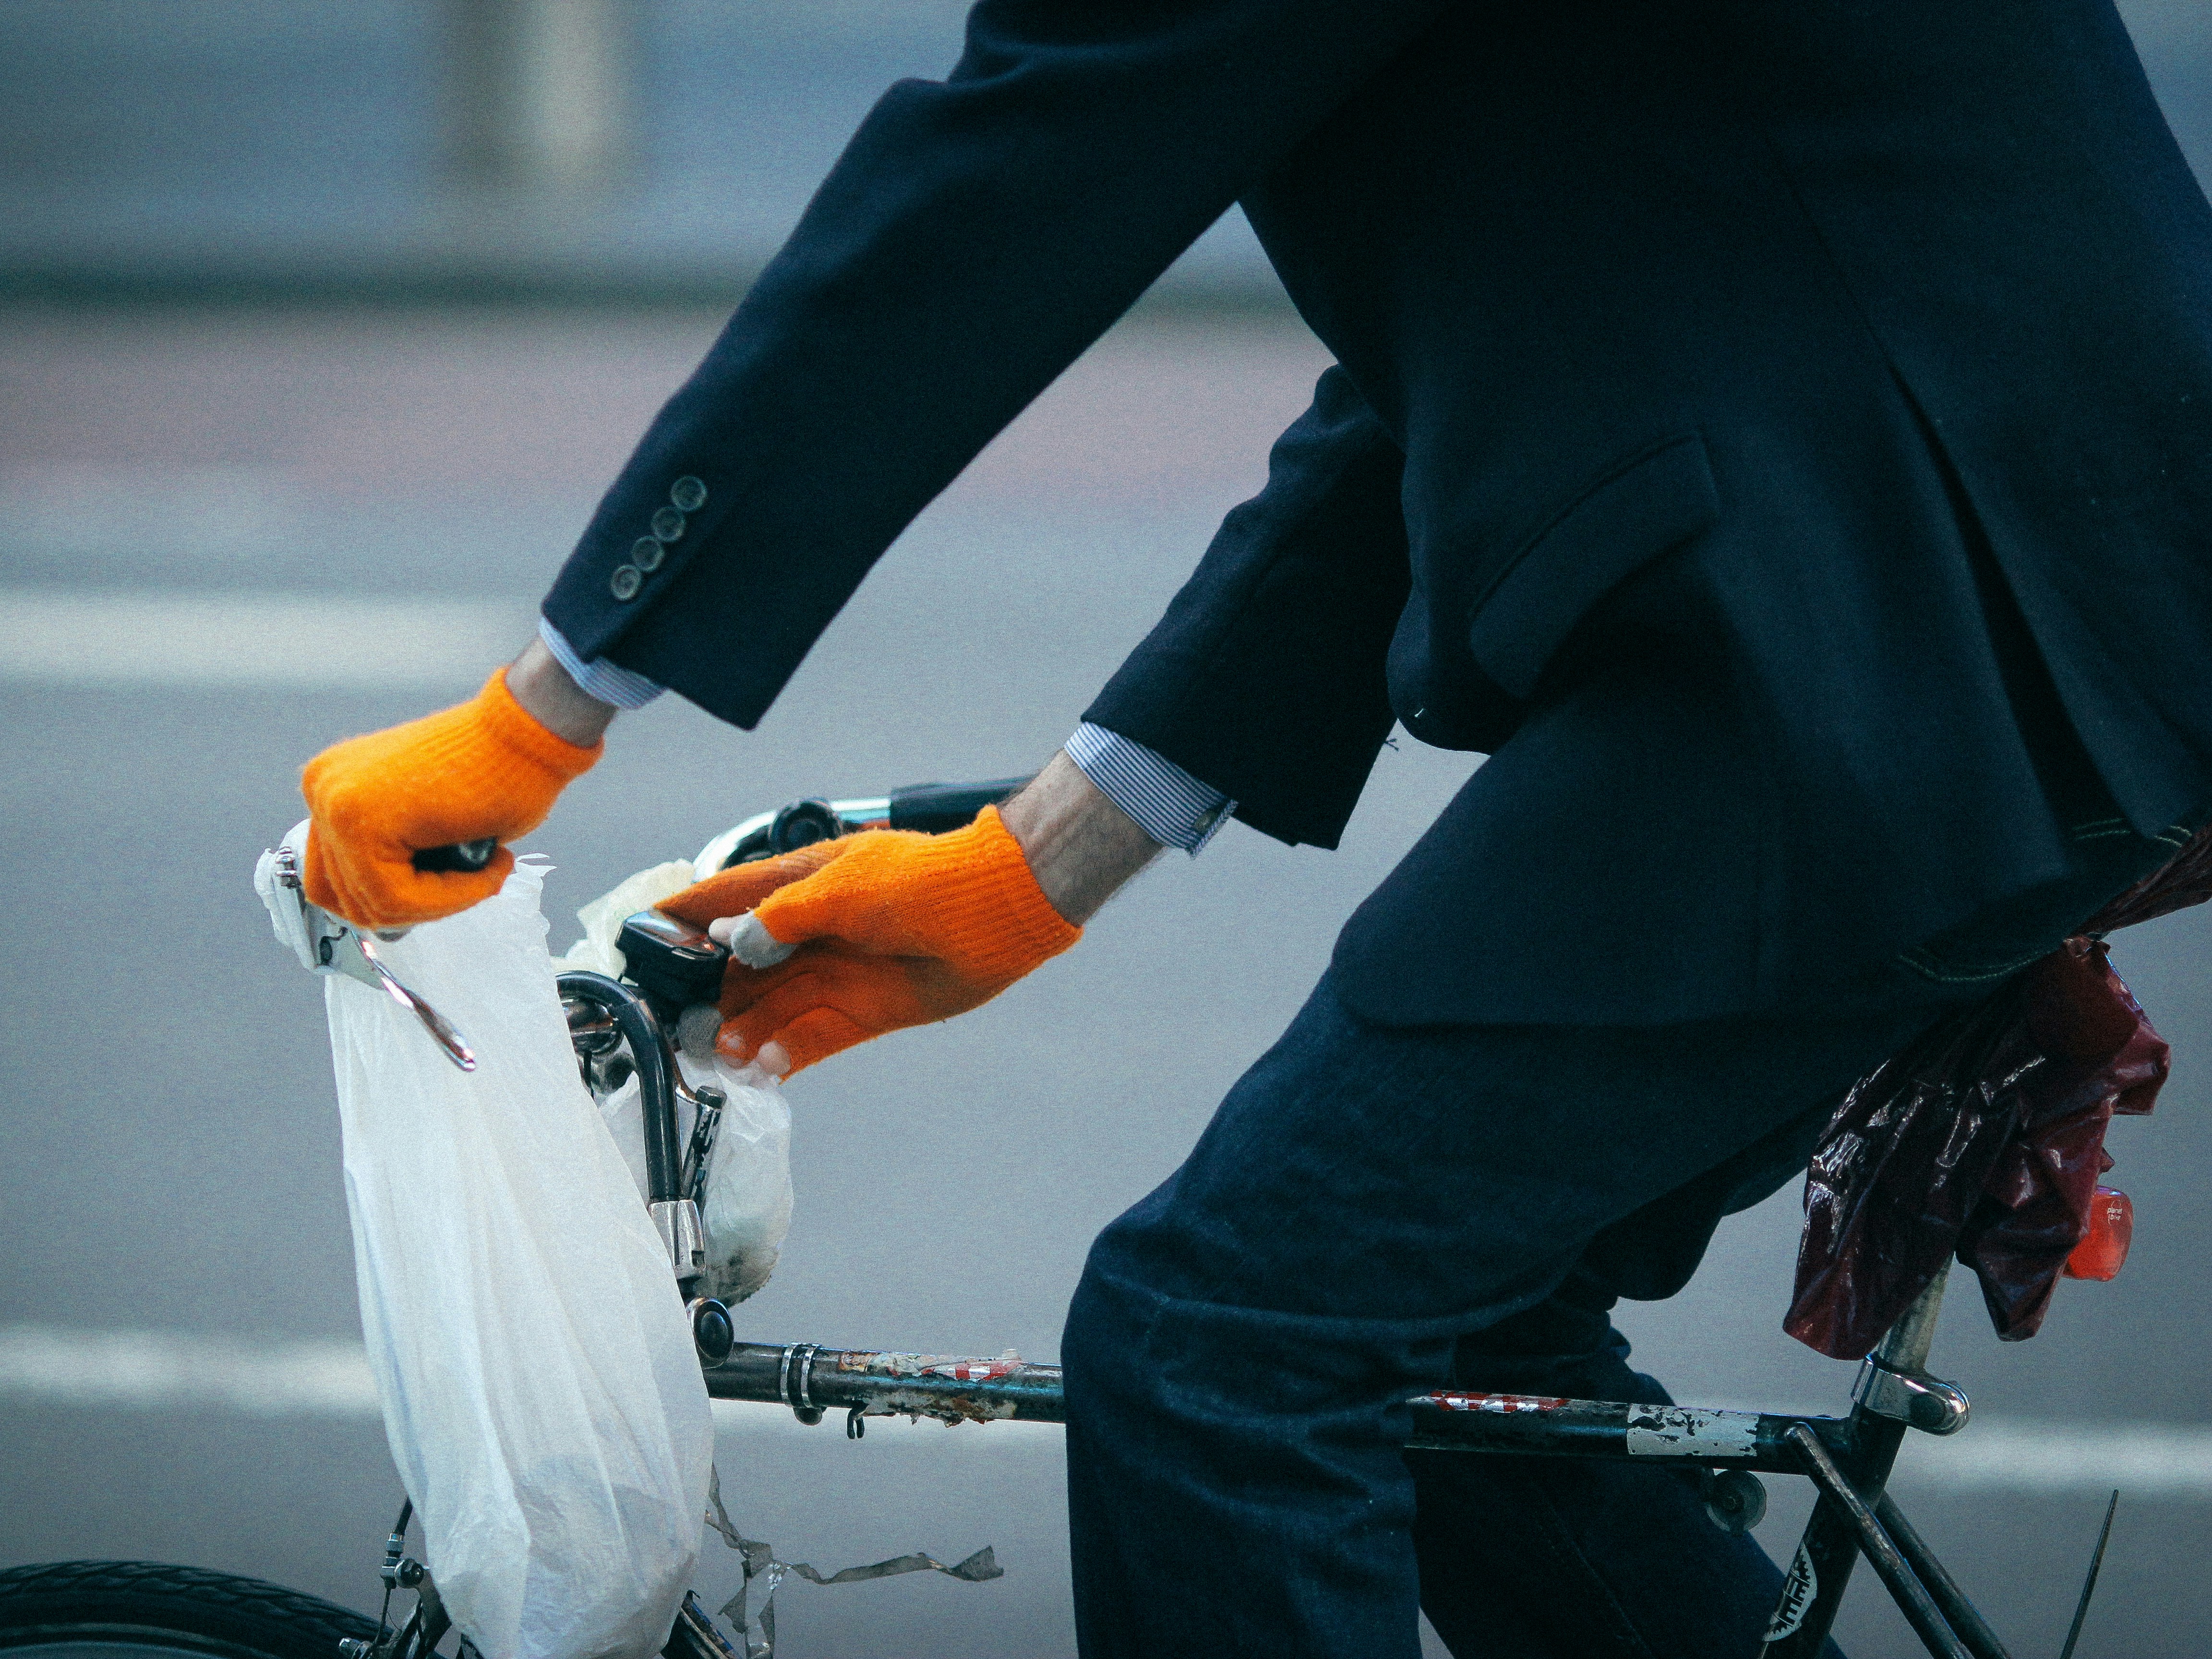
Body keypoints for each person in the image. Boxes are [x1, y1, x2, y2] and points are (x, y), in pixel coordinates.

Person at [297, 0, 2212, 1651]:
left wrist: (542, 712)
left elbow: (1000, 187)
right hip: (1964, 591)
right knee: (1464, 1356)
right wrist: (1047, 858)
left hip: (1906, 628)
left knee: (1223, 1351)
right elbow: (1488, 326)